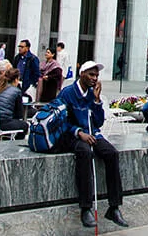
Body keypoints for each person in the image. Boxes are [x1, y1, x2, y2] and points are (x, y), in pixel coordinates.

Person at [57, 61, 128, 229]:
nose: (94, 78)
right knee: (85, 153)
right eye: (91, 74)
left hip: (92, 133)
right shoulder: (67, 93)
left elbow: (99, 122)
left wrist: (96, 101)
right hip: (74, 135)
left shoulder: (92, 93)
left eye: (96, 75)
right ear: (82, 74)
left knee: (111, 153)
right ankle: (85, 208)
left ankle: (114, 207)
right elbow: (61, 120)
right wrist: (78, 132)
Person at [0, 67, 28, 136]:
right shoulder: (16, 91)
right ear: (16, 80)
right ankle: (16, 142)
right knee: (24, 125)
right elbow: (19, 114)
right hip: (2, 123)